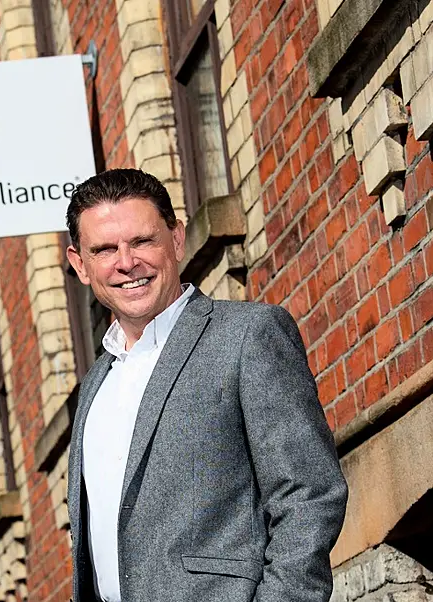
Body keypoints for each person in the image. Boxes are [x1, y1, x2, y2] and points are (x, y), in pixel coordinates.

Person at [64, 168, 348, 602]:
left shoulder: (246, 336)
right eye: (105, 249)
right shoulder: (94, 387)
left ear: (176, 239)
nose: (126, 263)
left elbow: (309, 492)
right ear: (81, 265)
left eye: (142, 241)